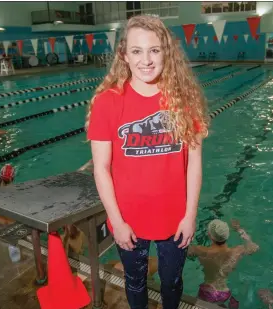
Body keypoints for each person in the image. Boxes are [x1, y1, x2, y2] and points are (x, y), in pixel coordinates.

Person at [86, 14, 209, 309]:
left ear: (166, 52)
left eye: (154, 50)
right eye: (137, 51)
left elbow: (194, 163)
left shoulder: (184, 99)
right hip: (128, 220)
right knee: (135, 281)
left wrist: (190, 215)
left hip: (175, 218)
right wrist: (116, 221)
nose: (147, 60)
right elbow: (101, 169)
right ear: (124, 55)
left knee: (172, 282)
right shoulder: (108, 102)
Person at [188, 219, 259, 308]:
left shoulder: (201, 250)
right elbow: (254, 248)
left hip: (207, 292)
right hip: (224, 293)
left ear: (210, 236)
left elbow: (187, 251)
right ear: (227, 236)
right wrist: (240, 230)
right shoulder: (236, 251)